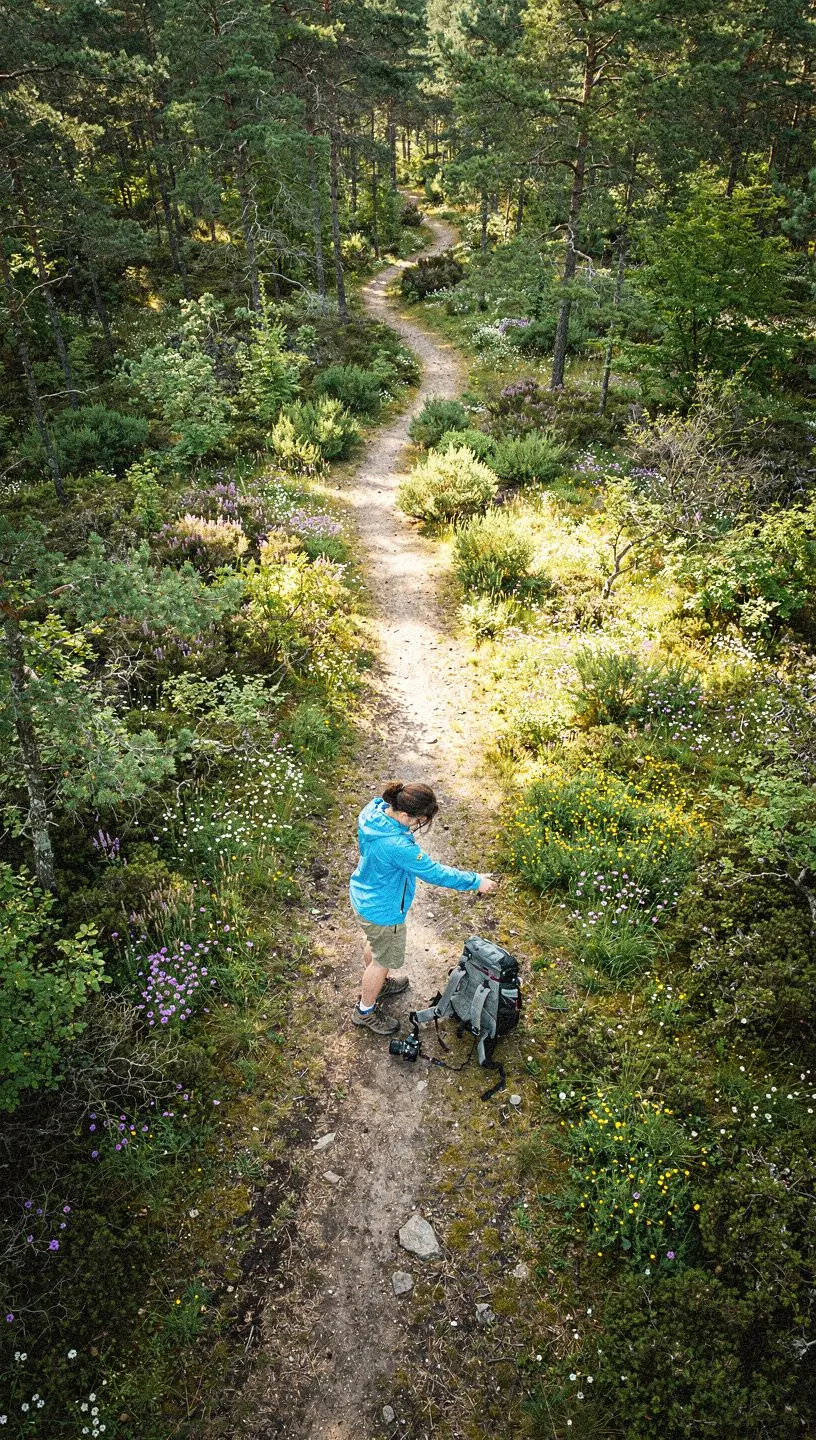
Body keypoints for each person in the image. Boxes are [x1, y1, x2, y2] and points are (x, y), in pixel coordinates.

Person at [349, 780, 497, 1035]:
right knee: (382, 960)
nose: (420, 825)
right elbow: (434, 872)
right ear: (404, 815)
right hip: (384, 910)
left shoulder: (374, 810)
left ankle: (378, 984)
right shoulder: (397, 846)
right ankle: (365, 1010)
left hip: (363, 896)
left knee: (375, 944)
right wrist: (475, 881)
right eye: (419, 821)